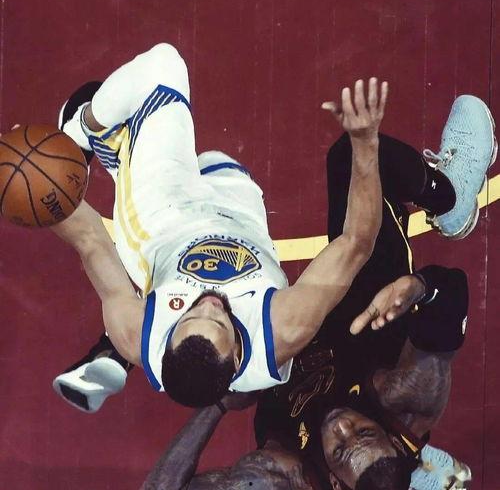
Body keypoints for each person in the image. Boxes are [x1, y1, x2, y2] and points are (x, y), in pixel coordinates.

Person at [53, 89, 493, 490]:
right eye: (363, 431)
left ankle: (117, 345)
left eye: (340, 449)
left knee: (187, 308)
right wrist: (419, 288)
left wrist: (218, 403)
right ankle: (450, 198)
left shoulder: (286, 475)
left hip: (261, 348)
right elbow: (450, 291)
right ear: (393, 440)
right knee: (354, 159)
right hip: (362, 309)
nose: (342, 427)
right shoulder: (407, 397)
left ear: (333, 482)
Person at [52, 43, 387, 407]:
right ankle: (126, 149)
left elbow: (90, 240)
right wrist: (365, 142)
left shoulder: (137, 335)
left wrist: (45, 179)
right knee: (216, 162)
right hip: (238, 212)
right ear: (238, 357)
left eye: (188, 316)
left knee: (162, 66)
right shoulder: (284, 327)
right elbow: (356, 243)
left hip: (162, 225)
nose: (209, 304)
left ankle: (81, 135)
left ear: (168, 341)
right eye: (219, 321)